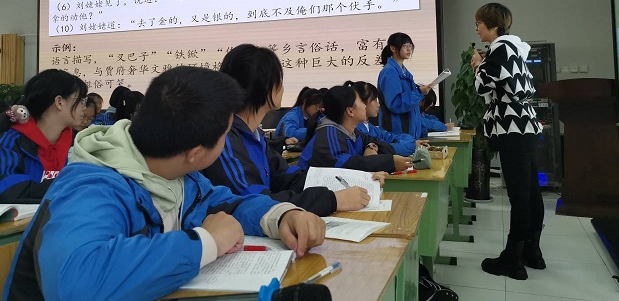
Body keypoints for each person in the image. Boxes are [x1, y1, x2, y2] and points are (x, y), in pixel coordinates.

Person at [3, 66, 325, 301]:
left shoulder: (179, 175)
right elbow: (77, 281)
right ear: (196, 152)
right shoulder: (93, 186)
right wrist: (205, 243)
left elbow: (225, 203)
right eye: (226, 135)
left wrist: (280, 216)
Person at [201, 45, 376, 216]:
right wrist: (332, 200)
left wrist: (359, 182)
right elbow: (255, 202)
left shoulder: (255, 135)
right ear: (266, 86)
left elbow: (286, 176)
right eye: (279, 80)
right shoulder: (225, 139)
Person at [471, 3, 544, 280]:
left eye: (479, 23)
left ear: (493, 25)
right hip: (525, 125)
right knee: (531, 193)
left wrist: (477, 66)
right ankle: (532, 252)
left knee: (519, 197)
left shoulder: (499, 49)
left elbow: (482, 86)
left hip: (511, 128)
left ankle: (513, 260)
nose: (476, 29)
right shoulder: (515, 48)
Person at [0, 69, 87, 204]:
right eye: (81, 100)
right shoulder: (11, 141)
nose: (84, 107)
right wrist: (67, 186)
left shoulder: (75, 143)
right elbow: (9, 189)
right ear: (59, 102)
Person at [298, 85, 414, 173]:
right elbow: (347, 166)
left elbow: (376, 142)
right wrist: (390, 162)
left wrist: (370, 146)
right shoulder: (328, 133)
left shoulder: (352, 132)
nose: (365, 106)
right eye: (362, 102)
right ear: (350, 111)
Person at [346, 80, 429, 156]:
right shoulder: (356, 130)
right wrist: (413, 145)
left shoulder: (370, 127)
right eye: (374, 100)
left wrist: (413, 141)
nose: (378, 104)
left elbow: (390, 137)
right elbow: (384, 148)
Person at [377, 32, 433, 139]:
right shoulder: (389, 72)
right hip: (397, 134)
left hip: (408, 135)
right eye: (404, 46)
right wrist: (419, 92)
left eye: (410, 46)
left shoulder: (404, 73)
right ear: (393, 48)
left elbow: (413, 109)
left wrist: (422, 134)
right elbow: (395, 104)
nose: (409, 49)